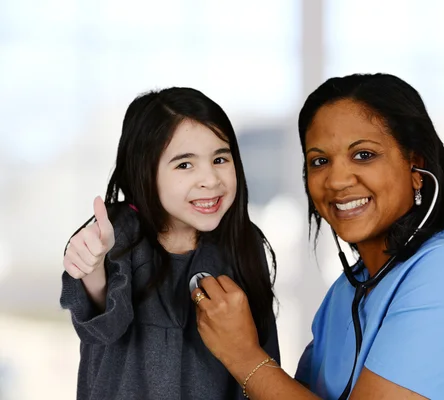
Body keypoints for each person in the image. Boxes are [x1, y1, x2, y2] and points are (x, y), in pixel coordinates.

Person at [190, 73, 444, 400]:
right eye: (319, 161)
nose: (336, 180)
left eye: (364, 155)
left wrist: (243, 355)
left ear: (417, 167)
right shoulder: (350, 289)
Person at [60, 87, 280, 400]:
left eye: (220, 159)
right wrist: (93, 269)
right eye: (184, 165)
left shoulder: (243, 242)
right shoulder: (116, 233)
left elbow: (262, 367)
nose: (211, 180)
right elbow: (104, 325)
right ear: (145, 172)